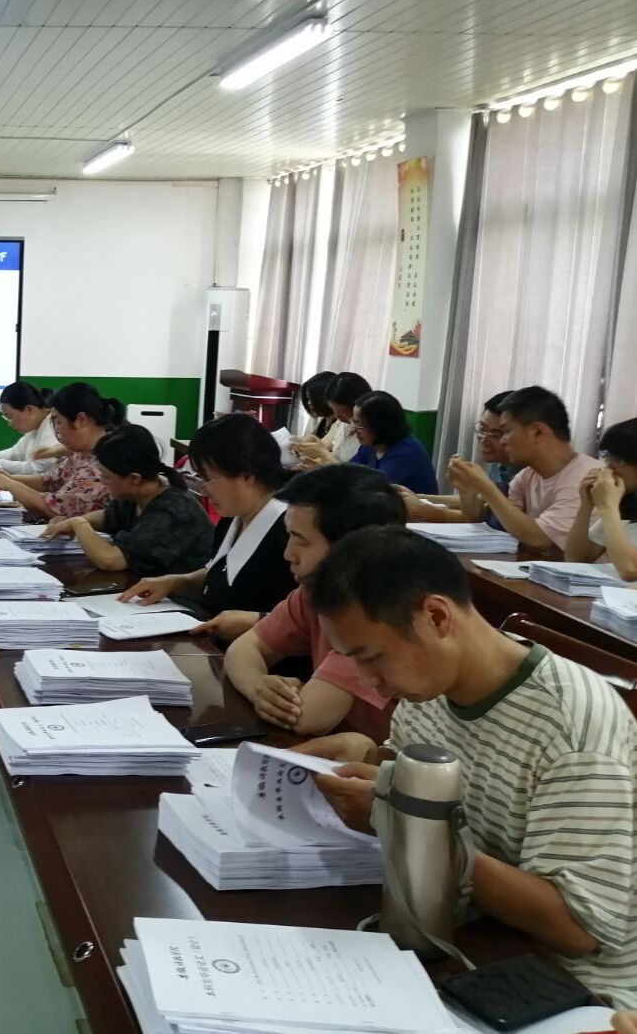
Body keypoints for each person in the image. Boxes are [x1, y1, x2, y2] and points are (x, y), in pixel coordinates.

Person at [300, 527, 637, 1008]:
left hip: (572, 987)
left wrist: (406, 823)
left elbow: (577, 929)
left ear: (436, 617)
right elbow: (426, 785)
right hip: (465, 933)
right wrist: (369, 759)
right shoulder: (431, 689)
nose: (369, 681)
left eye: (371, 657)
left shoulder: (572, 730)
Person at [222, 464, 403, 738]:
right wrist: (258, 686)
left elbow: (307, 718)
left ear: (350, 549)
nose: (288, 554)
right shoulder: (314, 592)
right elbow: (244, 648)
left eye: (301, 541)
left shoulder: (378, 613)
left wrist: (272, 699)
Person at [121, 413, 296, 640]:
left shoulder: (290, 532)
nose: (203, 490)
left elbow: (312, 619)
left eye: (208, 479)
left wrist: (257, 621)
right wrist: (175, 582)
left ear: (247, 475)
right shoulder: (233, 518)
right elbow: (221, 575)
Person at [40, 424, 213, 574]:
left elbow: (110, 561)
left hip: (179, 599)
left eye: (106, 477)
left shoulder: (171, 510)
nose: (101, 481)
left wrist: (78, 524)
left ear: (134, 478)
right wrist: (70, 523)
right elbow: (108, 516)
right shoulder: (138, 492)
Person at [447, 385, 600, 552]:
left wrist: (486, 487)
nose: (503, 440)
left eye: (506, 431)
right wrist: (467, 489)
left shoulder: (586, 476)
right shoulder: (528, 475)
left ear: (537, 432)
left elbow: (539, 539)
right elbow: (498, 524)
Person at [0, 383, 122, 519]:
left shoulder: (102, 464)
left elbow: (56, 509)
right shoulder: (80, 455)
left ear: (81, 420)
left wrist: (11, 484)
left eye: (59, 422)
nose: (57, 430)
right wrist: (11, 478)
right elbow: (49, 481)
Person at [401, 391, 514, 524]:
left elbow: (481, 516)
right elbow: (481, 501)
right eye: (482, 429)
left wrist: (424, 510)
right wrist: (419, 498)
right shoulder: (499, 463)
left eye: (495, 433)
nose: (484, 439)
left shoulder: (524, 472)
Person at [567, 417, 637, 581]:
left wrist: (607, 507)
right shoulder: (628, 506)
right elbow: (576, 559)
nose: (609, 468)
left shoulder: (611, 508)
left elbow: (630, 570)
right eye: (608, 457)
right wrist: (586, 504)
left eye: (620, 460)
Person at [348, 390, 438, 493]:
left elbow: (373, 491)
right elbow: (347, 473)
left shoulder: (406, 453)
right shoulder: (371, 444)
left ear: (379, 425)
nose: (354, 429)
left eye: (359, 424)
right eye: (354, 422)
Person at [0, 381, 62, 475]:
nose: (9, 423)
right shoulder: (35, 427)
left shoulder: (53, 428)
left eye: (10, 417)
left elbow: (36, 470)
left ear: (29, 409)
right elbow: (14, 453)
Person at [296, 371, 369, 466]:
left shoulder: (367, 434)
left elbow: (357, 472)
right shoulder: (340, 424)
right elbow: (323, 445)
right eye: (334, 410)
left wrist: (324, 454)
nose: (337, 416)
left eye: (342, 412)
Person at [296, 370, 337, 440]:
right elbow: (307, 439)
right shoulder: (323, 421)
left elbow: (322, 444)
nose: (308, 403)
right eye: (307, 399)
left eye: (311, 398)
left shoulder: (339, 423)